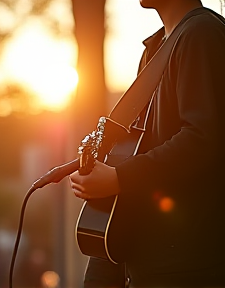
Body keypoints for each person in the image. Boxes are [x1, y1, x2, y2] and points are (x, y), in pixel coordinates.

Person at [69, 0, 225, 287]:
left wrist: (120, 178)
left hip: (187, 267)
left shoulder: (201, 35)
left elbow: (203, 140)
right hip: (147, 262)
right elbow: (139, 145)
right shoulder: (157, 46)